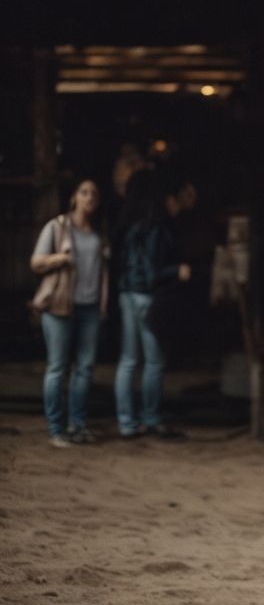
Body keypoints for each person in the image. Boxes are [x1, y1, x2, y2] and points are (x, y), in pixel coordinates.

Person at [30, 179, 109, 448]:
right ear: (74, 197)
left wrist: (103, 303)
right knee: (57, 367)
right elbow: (36, 262)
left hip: (89, 306)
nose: (89, 197)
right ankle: (56, 429)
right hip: (59, 305)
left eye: (94, 194)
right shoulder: (57, 226)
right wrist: (60, 258)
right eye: (84, 192)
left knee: (85, 368)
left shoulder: (98, 233)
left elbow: (103, 271)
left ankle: (78, 424)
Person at [115, 171, 191, 440]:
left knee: (128, 360)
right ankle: (151, 418)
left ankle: (126, 423)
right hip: (145, 296)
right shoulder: (156, 226)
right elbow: (151, 272)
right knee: (155, 361)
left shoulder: (130, 225)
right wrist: (177, 270)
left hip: (126, 293)